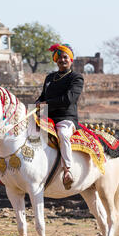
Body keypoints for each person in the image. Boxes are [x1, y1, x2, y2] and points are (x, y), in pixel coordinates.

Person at [36, 43, 84, 189]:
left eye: (65, 57)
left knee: (63, 134)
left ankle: (67, 170)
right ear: (55, 60)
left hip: (66, 118)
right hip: (46, 117)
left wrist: (45, 103)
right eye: (59, 58)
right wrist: (37, 103)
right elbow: (42, 96)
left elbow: (69, 99)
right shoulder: (50, 77)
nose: (62, 60)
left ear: (71, 60)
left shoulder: (76, 78)